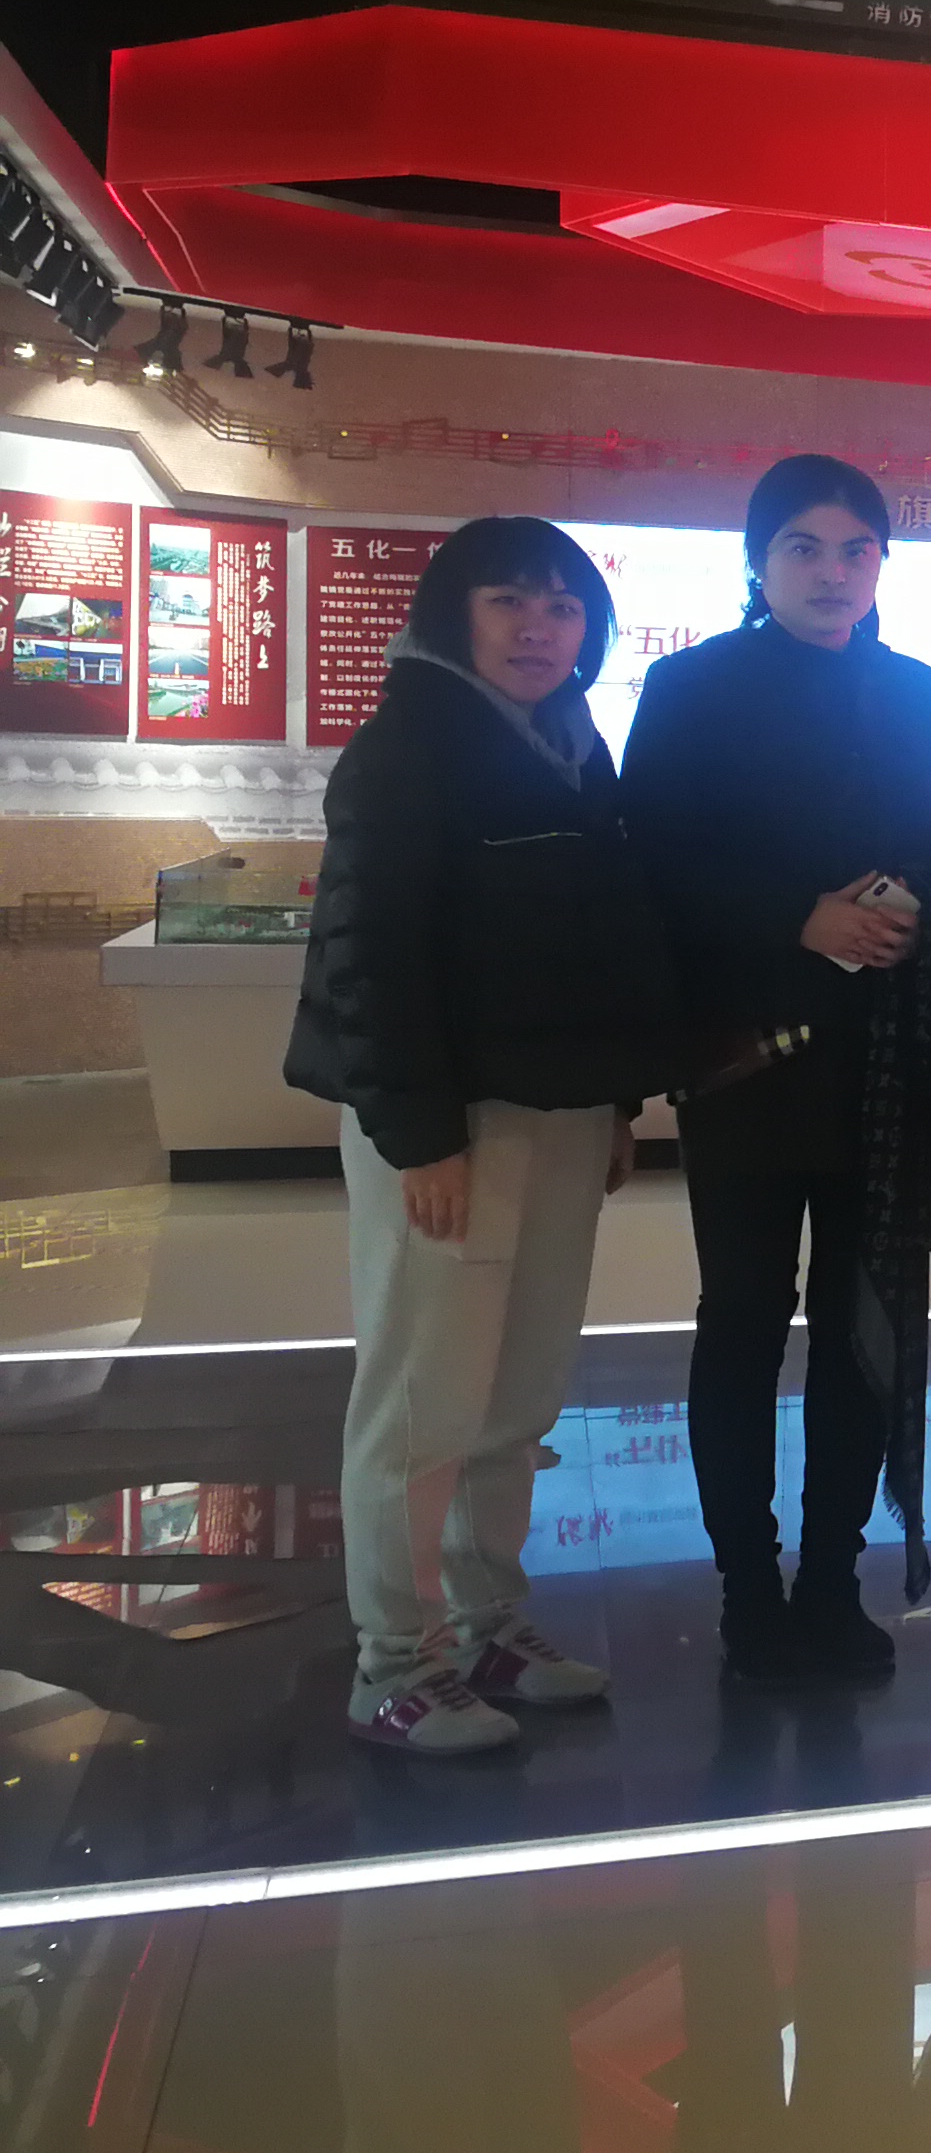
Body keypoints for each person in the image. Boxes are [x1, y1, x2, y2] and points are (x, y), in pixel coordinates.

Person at [284, 517, 682, 1755]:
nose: (538, 629)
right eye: (510, 601)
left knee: (518, 1395)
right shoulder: (406, 748)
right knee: (423, 1401)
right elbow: (370, 957)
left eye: (562, 608)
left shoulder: (572, 748)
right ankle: (393, 1666)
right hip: (451, 1126)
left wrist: (616, 1105)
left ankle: (487, 1621)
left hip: (562, 1115)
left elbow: (603, 947)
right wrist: (419, 1138)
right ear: (454, 614)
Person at [624, 456, 931, 1689]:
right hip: (748, 1064)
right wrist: (800, 916)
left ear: (882, 563)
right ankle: (748, 1586)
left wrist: (917, 915)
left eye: (855, 550)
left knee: (860, 1326)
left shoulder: (925, 696)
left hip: (886, 1070)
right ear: (758, 561)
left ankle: (832, 1578)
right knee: (740, 1320)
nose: (832, 573)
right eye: (804, 548)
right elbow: (653, 863)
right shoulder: (691, 689)